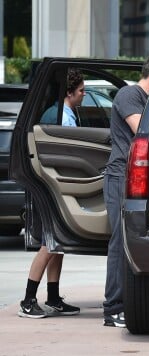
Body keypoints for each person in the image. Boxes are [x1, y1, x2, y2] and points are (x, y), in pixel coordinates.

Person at [103, 54, 149, 328]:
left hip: (132, 178)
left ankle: (120, 304)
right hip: (120, 176)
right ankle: (113, 307)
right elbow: (142, 128)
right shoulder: (129, 94)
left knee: (129, 239)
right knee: (120, 240)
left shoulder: (142, 97)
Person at [18, 68, 85, 318]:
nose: (84, 95)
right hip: (52, 189)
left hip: (55, 187)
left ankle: (54, 297)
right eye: (81, 91)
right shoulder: (62, 118)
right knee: (49, 243)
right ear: (69, 92)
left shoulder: (61, 113)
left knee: (57, 243)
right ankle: (28, 299)